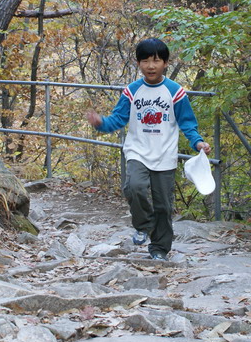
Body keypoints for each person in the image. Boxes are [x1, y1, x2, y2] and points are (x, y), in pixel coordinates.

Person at [86, 38, 210, 261]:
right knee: (134, 187)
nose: (151, 66)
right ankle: (143, 226)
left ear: (165, 63)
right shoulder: (132, 91)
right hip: (137, 151)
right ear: (138, 63)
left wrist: (198, 142)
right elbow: (118, 118)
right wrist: (101, 123)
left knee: (163, 205)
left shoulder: (175, 92)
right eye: (145, 61)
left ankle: (159, 249)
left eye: (156, 61)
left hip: (165, 154)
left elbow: (187, 123)